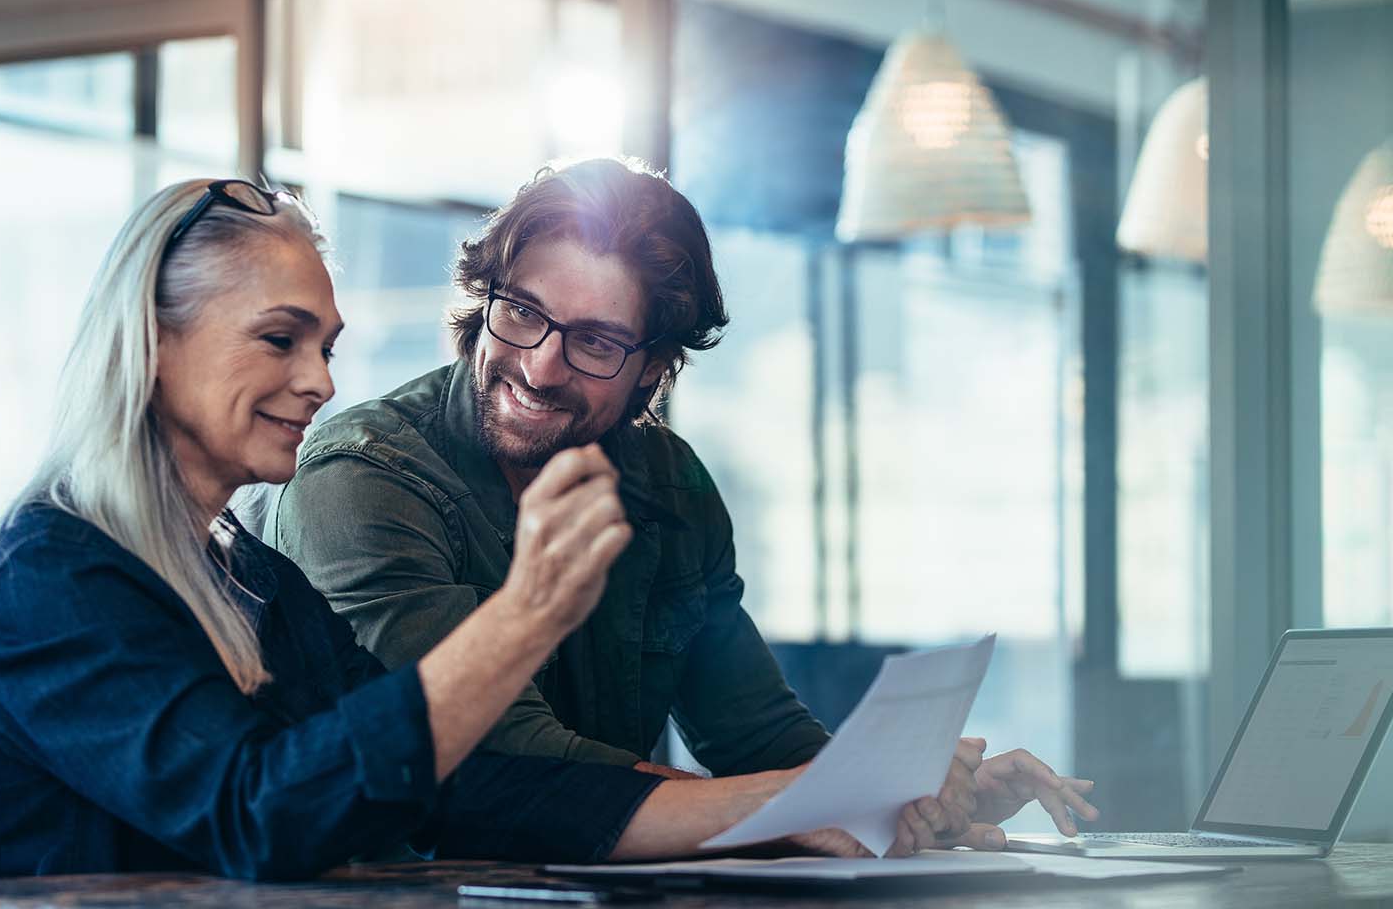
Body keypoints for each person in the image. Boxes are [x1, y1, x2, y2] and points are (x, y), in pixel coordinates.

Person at [0, 178, 988, 882]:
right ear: (149, 346)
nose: (321, 380)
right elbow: (257, 815)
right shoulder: (45, 576)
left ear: (653, 371)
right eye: (280, 340)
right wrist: (526, 616)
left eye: (327, 344)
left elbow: (462, 784)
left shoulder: (247, 575)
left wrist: (837, 798)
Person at [272, 158, 1098, 839]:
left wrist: (900, 803)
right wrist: (798, 806)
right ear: (485, 301)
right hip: (391, 907)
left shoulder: (670, 484)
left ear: (655, 368)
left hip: (600, 907)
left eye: (594, 341)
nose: (541, 366)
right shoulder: (366, 479)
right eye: (522, 313)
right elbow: (503, 751)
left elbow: (755, 731)